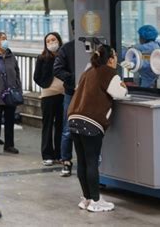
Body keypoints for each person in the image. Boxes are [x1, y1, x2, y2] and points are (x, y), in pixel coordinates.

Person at [68, 44, 127, 212]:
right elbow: (120, 93)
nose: (116, 59)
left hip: (74, 118)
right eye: (115, 56)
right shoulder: (108, 72)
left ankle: (86, 198)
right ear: (110, 59)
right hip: (91, 121)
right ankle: (95, 200)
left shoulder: (88, 71)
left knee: (82, 161)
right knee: (92, 161)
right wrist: (123, 85)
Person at [34, 32, 64, 166]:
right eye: (48, 41)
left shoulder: (64, 55)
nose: (52, 43)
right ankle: (47, 154)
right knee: (47, 125)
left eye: (54, 40)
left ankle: (59, 154)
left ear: (59, 40)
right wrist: (46, 85)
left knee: (60, 125)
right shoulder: (42, 58)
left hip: (63, 94)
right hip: (48, 95)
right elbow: (36, 76)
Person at [53, 20, 75, 177]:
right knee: (68, 128)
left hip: (91, 94)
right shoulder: (66, 49)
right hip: (71, 92)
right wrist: (73, 80)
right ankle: (66, 161)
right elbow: (57, 69)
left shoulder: (98, 48)